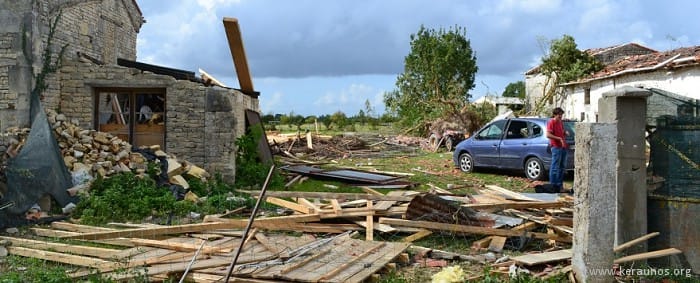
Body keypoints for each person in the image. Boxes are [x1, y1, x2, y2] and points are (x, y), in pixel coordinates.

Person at [546, 107, 568, 192]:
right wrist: (559, 138)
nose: (560, 116)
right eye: (559, 115)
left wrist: (564, 132)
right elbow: (548, 135)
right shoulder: (551, 122)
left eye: (561, 115)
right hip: (556, 147)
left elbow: (561, 131)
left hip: (563, 146)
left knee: (562, 167)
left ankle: (559, 186)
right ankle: (553, 186)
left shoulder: (560, 122)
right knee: (555, 167)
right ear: (555, 114)